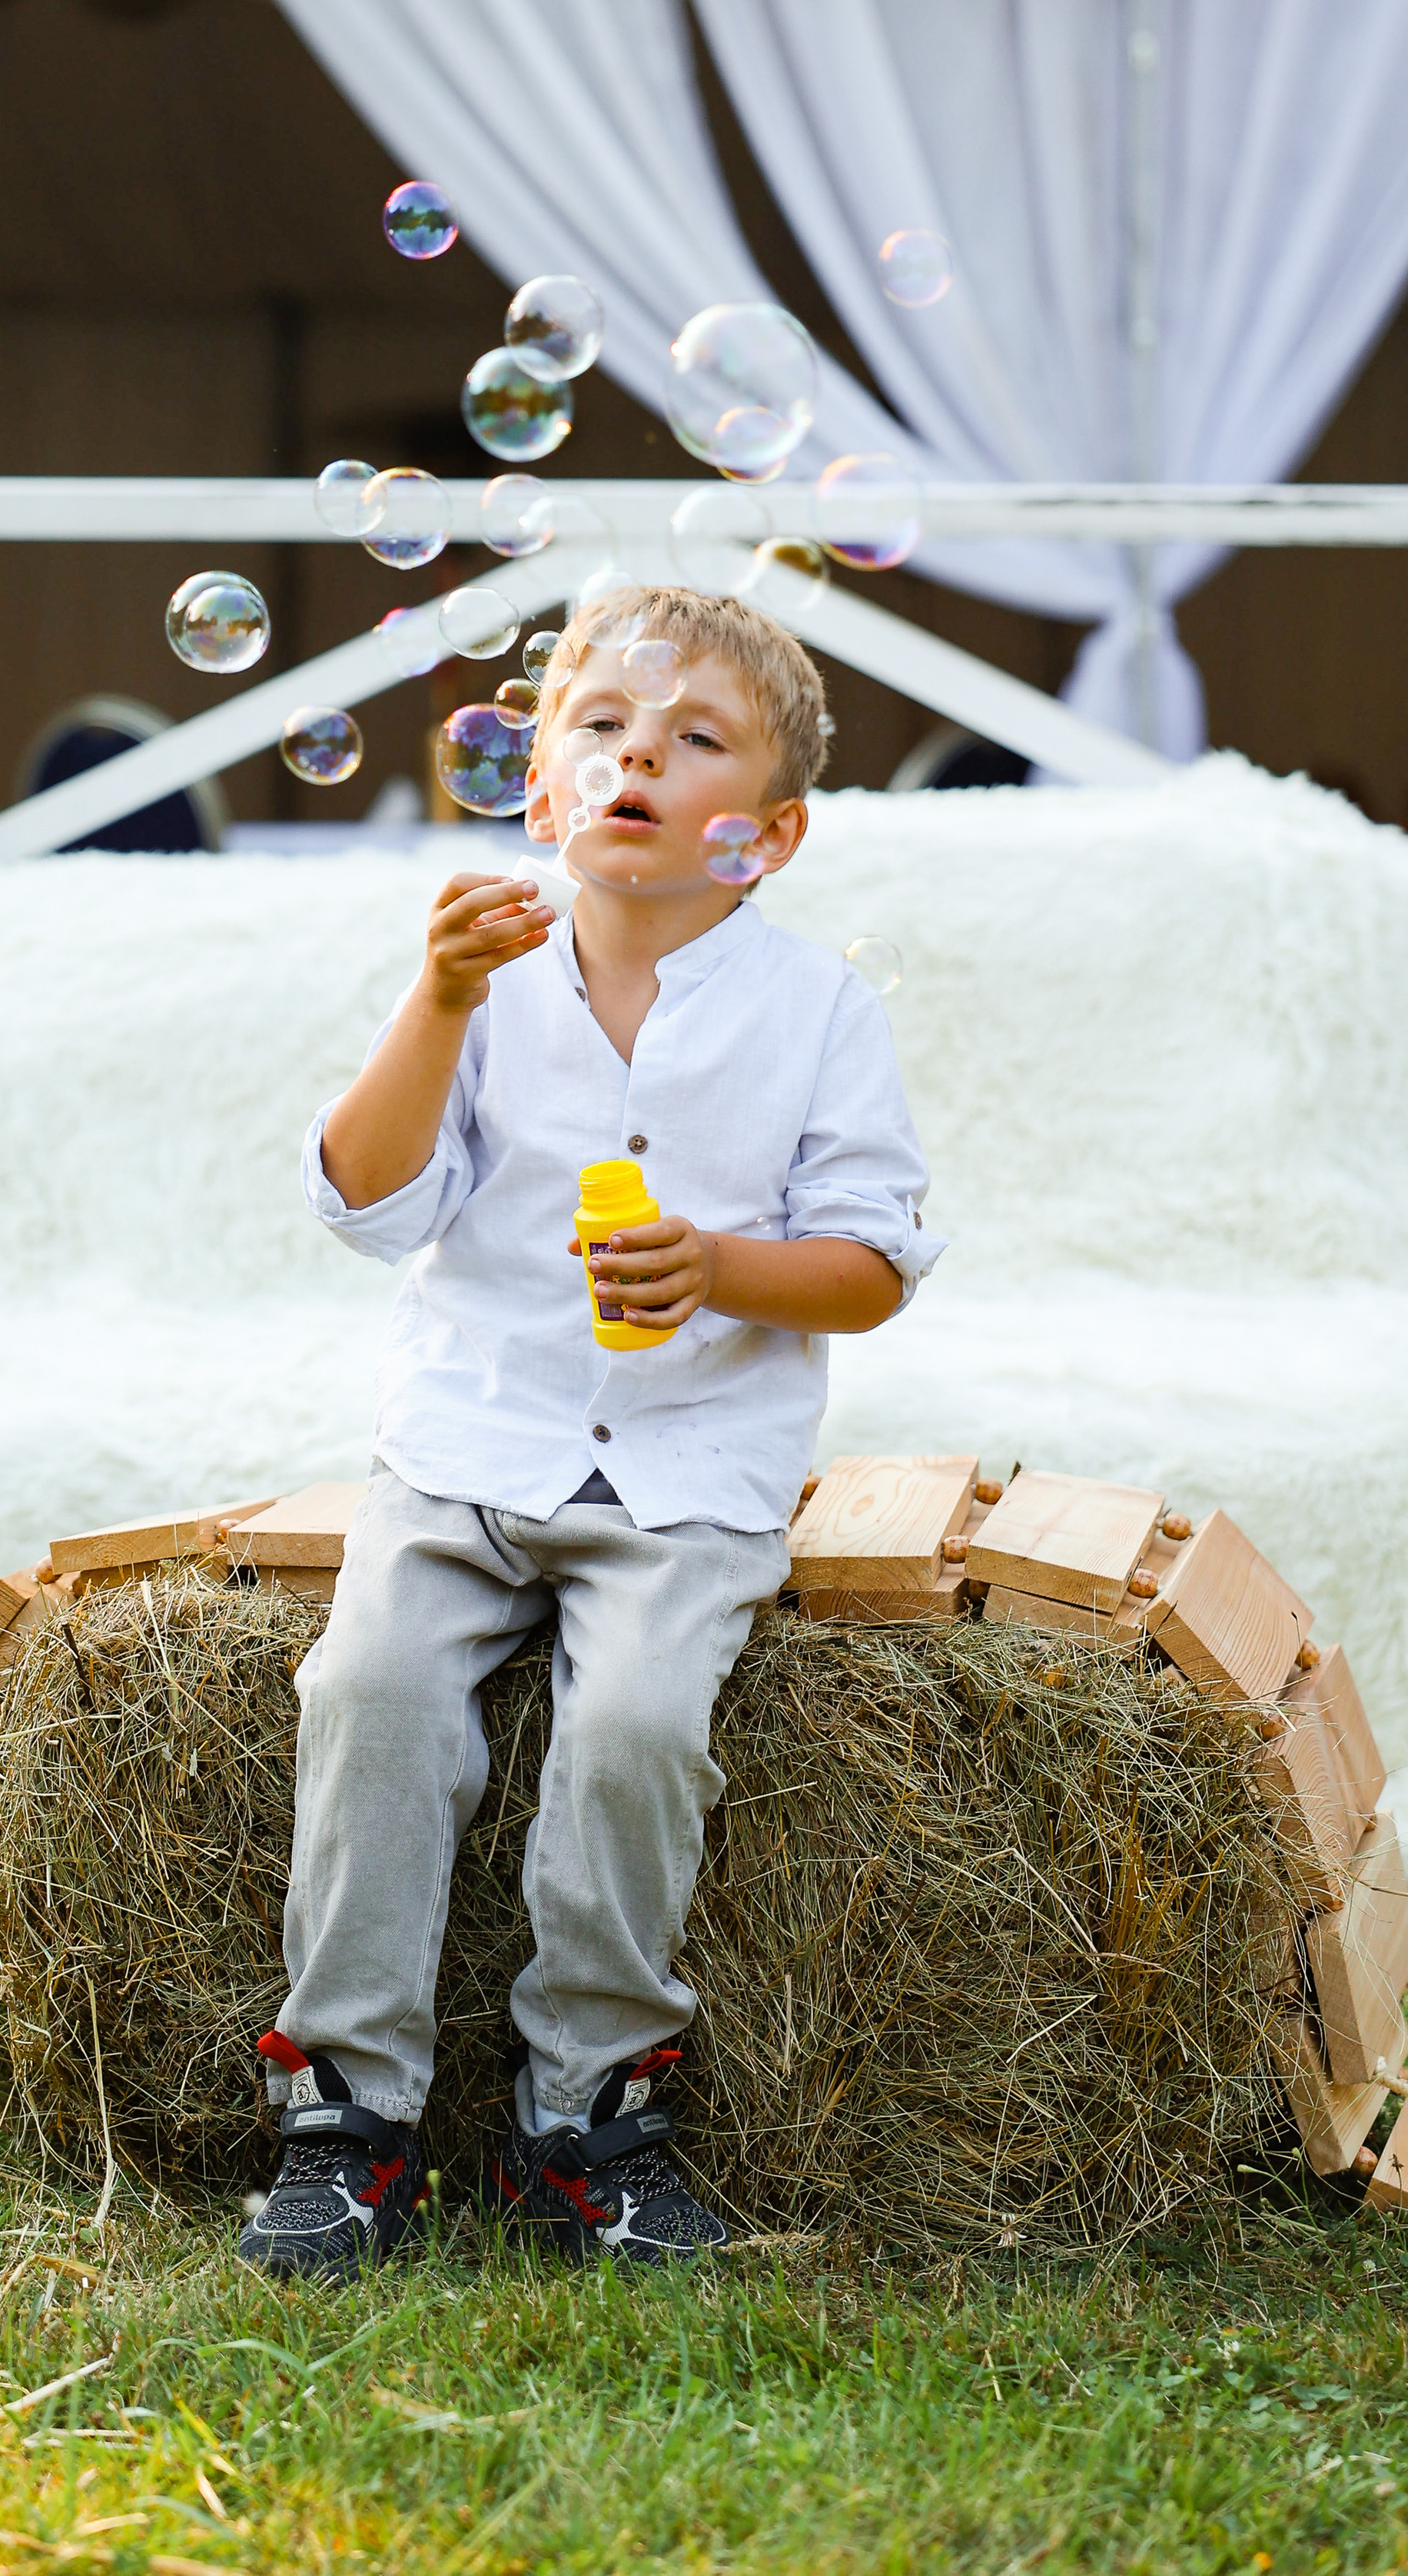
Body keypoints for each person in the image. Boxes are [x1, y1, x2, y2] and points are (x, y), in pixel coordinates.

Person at [237, 584, 942, 2276]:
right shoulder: (478, 978)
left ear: (764, 834)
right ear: (540, 793)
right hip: (469, 1447)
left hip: (687, 1471)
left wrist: (716, 1267)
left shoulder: (817, 1015)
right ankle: (346, 2116)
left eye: (694, 739)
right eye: (600, 730)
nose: (639, 755)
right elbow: (367, 1199)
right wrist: (432, 1003)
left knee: (630, 1726)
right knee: (368, 1688)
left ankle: (591, 2116)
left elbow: (866, 1267)